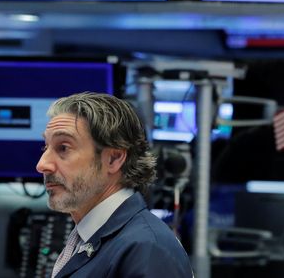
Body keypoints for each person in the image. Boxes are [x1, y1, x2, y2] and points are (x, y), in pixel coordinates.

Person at [36, 91, 194, 278]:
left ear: (113, 158)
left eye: (63, 148)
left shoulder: (147, 249)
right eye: (45, 147)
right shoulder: (93, 238)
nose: (42, 165)